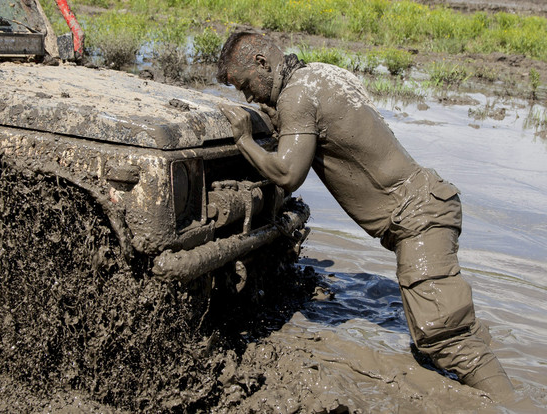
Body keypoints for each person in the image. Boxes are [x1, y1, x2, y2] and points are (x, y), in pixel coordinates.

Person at [216, 31, 513, 398]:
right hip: (429, 201)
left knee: (444, 337)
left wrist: (244, 138)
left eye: (245, 86)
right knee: (453, 326)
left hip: (417, 217)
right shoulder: (322, 74)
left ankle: (512, 404)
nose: (247, 96)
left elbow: (288, 175)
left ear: (262, 63)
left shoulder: (297, 95)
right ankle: (488, 380)